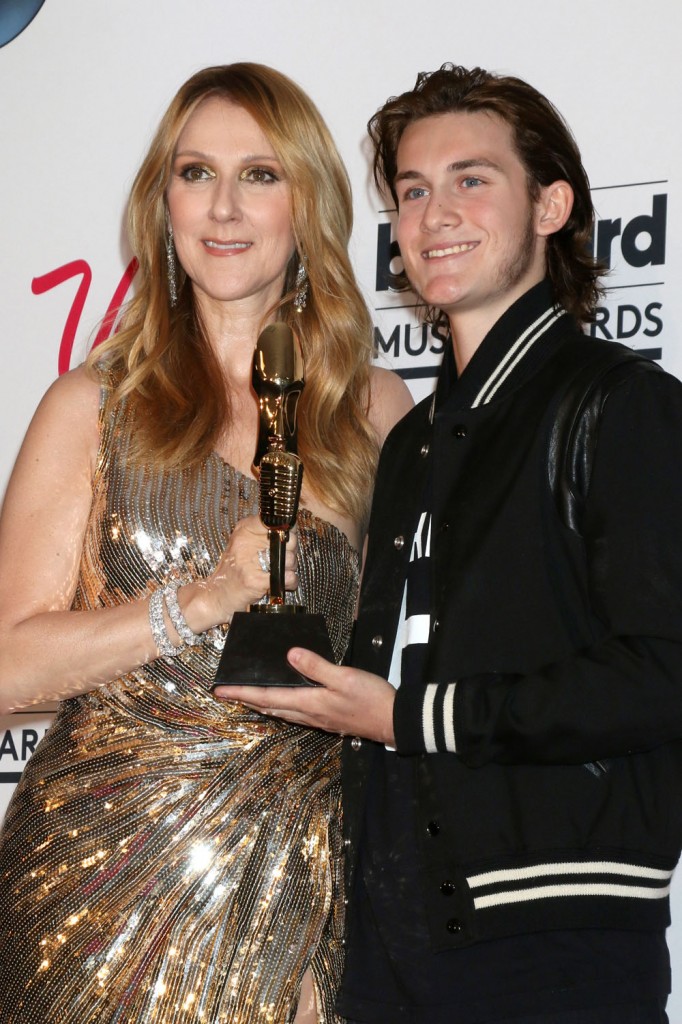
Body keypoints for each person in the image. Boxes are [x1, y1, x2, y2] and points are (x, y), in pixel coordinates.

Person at [224, 64, 682, 1023]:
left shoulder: (621, 404)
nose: (435, 216)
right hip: (392, 941)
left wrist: (413, 718)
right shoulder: (413, 441)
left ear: (552, 205)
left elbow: (663, 672)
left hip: (553, 936)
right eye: (415, 192)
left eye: (473, 181)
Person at [0, 63, 412, 1023]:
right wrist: (191, 603)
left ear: (308, 201)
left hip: (303, 880)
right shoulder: (91, 408)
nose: (224, 206)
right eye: (196, 172)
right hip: (95, 888)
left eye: (261, 175)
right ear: (163, 201)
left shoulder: (378, 414)